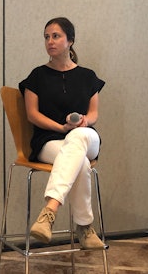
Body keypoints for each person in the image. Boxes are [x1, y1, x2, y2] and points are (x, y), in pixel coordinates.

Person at [18, 17, 105, 249]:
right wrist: (61, 128)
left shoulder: (88, 76)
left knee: (77, 139)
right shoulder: (36, 76)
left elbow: (94, 113)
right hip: (49, 141)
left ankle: (49, 210)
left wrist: (85, 121)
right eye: (46, 37)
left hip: (86, 137)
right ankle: (85, 228)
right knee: (81, 164)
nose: (50, 41)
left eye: (55, 36)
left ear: (70, 41)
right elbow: (32, 115)